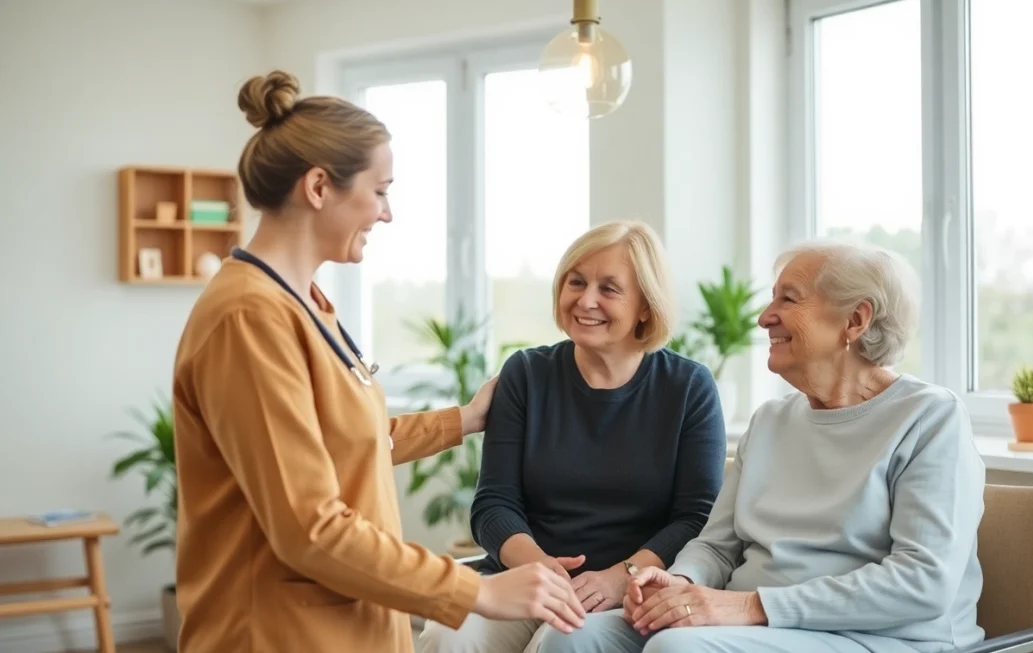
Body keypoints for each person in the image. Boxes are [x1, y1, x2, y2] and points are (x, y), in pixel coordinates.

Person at [171, 70, 586, 653]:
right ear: (319, 187)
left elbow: (346, 443)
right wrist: (476, 592)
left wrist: (463, 420)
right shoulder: (248, 318)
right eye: (381, 189)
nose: (386, 214)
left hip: (351, 627)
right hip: (277, 633)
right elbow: (307, 527)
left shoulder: (306, 303)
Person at [539, 240, 988, 653]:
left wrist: (751, 606)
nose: (764, 316)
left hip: (874, 637)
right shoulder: (772, 420)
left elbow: (923, 582)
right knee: (571, 637)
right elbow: (717, 546)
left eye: (788, 298)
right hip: (753, 625)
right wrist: (678, 582)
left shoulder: (929, 418)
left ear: (855, 320)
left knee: (676, 650)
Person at [417, 221, 728, 653]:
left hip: (625, 593)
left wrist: (623, 577)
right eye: (576, 282)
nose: (586, 300)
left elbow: (696, 517)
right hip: (526, 581)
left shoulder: (689, 387)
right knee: (446, 635)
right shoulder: (526, 374)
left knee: (561, 641)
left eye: (609, 289)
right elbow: (494, 504)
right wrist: (541, 570)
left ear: (645, 305)